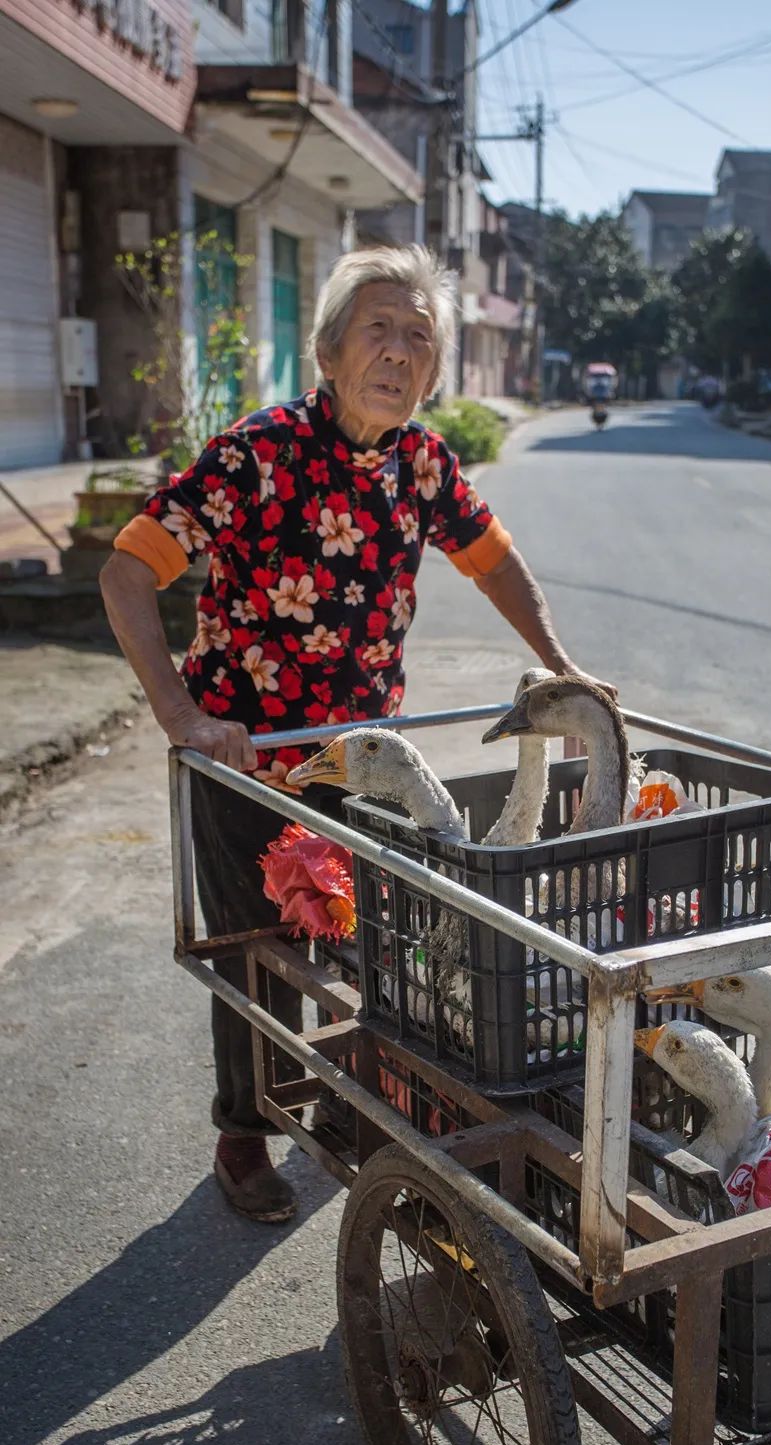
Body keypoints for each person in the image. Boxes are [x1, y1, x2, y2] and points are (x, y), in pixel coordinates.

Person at [100, 242, 613, 1224]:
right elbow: (127, 570)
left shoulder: (421, 462)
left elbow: (494, 562)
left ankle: (346, 1104)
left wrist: (558, 663)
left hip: (365, 756)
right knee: (260, 953)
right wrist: (181, 717)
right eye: (378, 329)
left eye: (419, 337)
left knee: (372, 944)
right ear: (331, 350)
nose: (399, 352)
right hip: (245, 764)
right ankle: (243, 1132)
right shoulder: (257, 453)